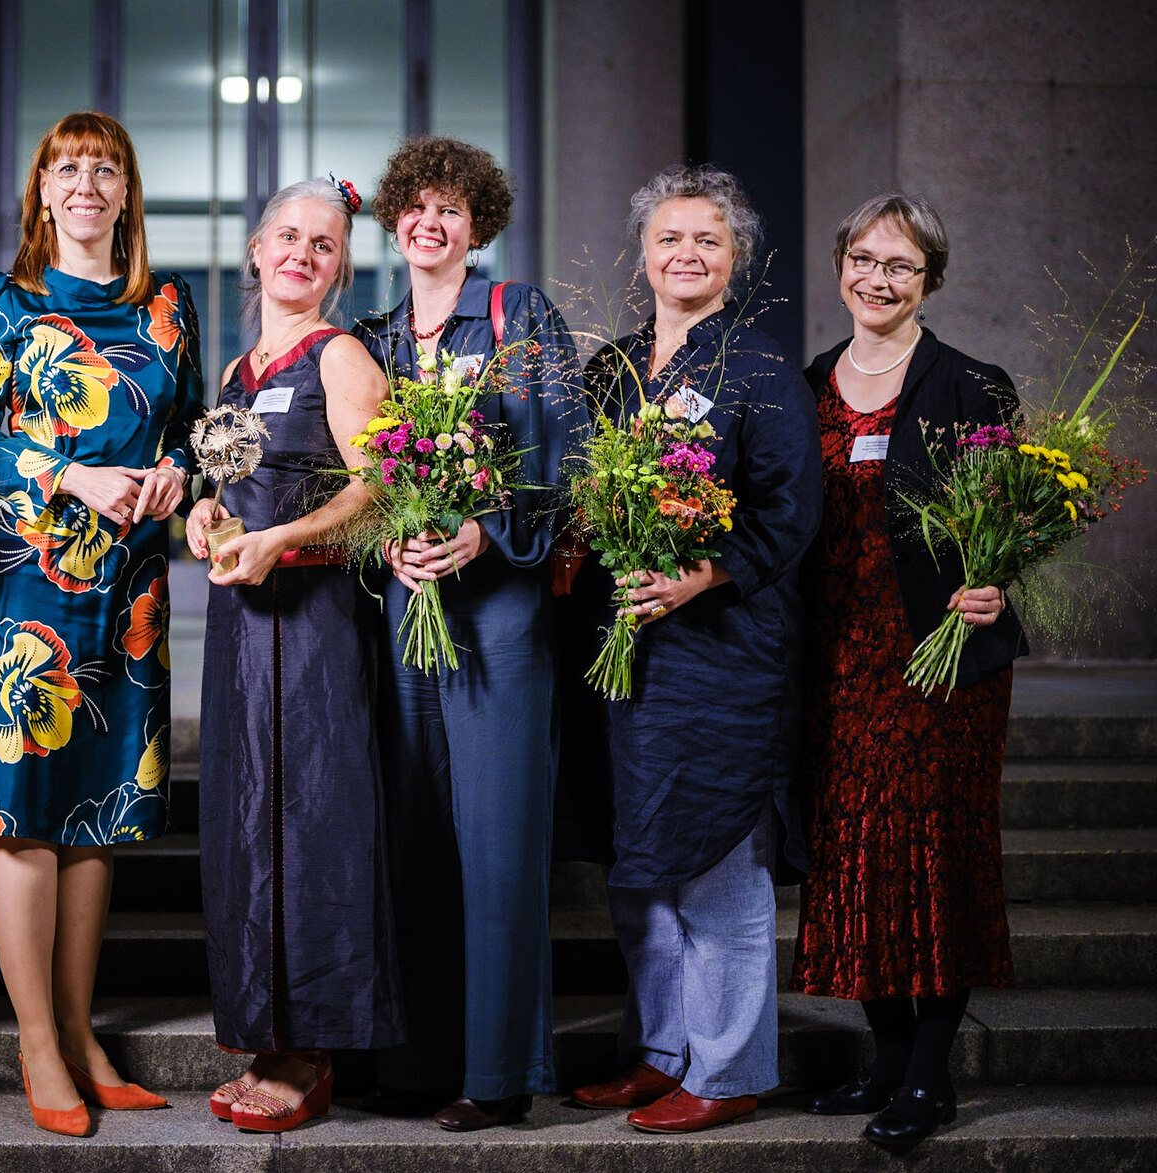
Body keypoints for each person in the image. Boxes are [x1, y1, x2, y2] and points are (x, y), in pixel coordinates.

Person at [0, 111, 204, 1137]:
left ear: (127, 193)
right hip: (27, 593)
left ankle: (83, 1030)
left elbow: (184, 426)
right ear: (41, 192)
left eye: (106, 168)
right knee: (26, 815)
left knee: (97, 821)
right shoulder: (2, 301)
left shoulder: (166, 308)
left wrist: (179, 471)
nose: (87, 183)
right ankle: (37, 1043)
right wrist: (69, 473)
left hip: (132, 595)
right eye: (67, 167)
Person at [568, 165, 820, 1134]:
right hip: (624, 654)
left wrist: (701, 575)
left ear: (734, 260)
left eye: (705, 241)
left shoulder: (759, 372)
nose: (685, 254)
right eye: (669, 239)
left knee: (717, 869)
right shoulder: (610, 371)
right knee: (638, 871)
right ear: (643, 257)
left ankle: (725, 1068)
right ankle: (661, 1051)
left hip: (721, 654)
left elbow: (791, 516)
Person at [352, 135, 585, 1132]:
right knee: (407, 838)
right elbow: (344, 483)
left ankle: (493, 1076)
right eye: (416, 207)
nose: (430, 223)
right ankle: (413, 1064)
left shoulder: (518, 315)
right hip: (404, 608)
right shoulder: (364, 337)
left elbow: (564, 454)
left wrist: (484, 530)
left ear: (477, 225)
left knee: (496, 845)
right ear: (394, 220)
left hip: (497, 603)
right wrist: (385, 545)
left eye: (451, 209)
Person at [793, 193, 1023, 1154]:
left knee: (936, 854)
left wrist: (998, 583)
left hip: (943, 664)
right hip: (839, 660)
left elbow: (1017, 521)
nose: (878, 280)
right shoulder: (807, 384)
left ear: (930, 277)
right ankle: (885, 1058)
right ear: (841, 263)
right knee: (858, 858)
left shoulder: (975, 385)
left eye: (901, 265)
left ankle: (931, 1075)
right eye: (864, 259)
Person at [187, 176, 398, 1132]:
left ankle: (312, 1047)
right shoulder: (236, 374)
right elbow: (232, 490)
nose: (302, 254)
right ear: (258, 250)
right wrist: (208, 516)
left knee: (311, 817)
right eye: (288, 236)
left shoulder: (341, 355)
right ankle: (265, 1032)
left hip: (313, 622)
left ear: (339, 267)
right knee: (248, 817)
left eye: (324, 243)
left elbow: (380, 489)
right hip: (243, 627)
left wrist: (283, 539)